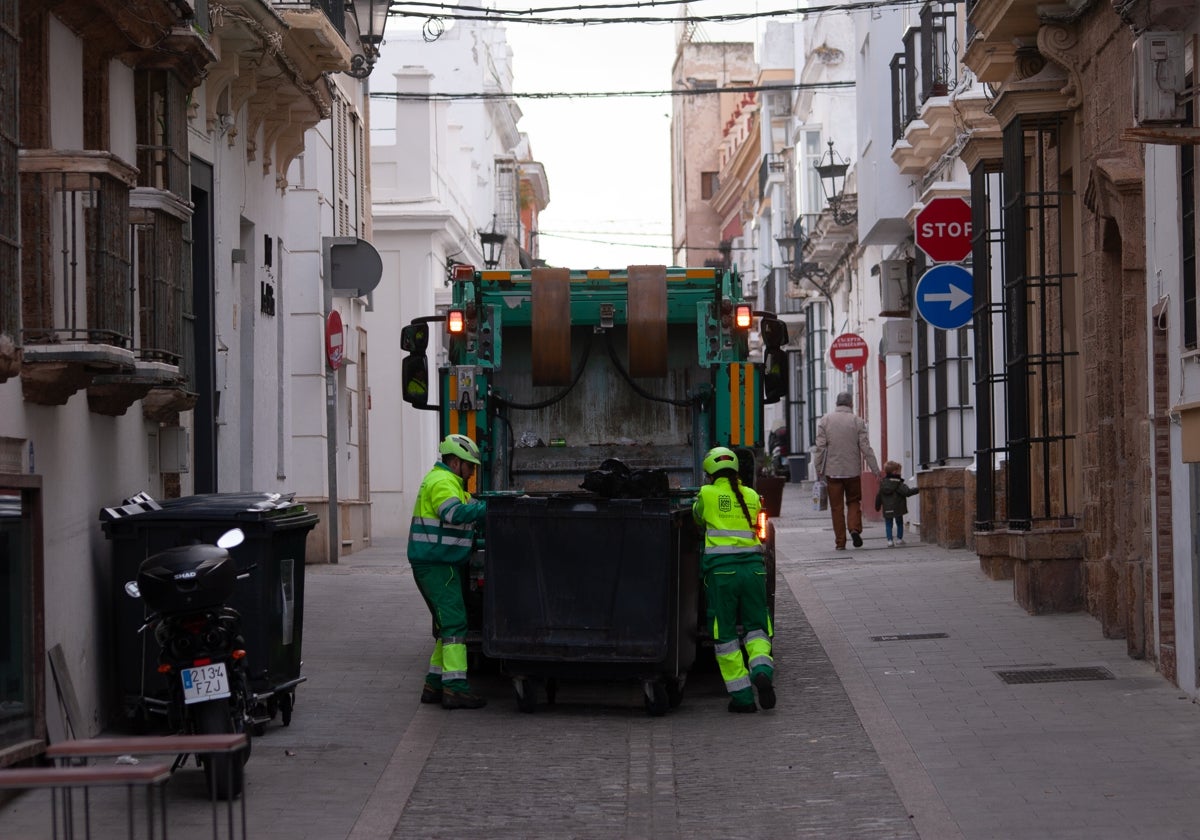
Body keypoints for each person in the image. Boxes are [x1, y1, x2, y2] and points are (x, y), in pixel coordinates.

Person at [407, 434, 489, 710]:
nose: (472, 471)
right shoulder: (443, 482)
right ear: (455, 462)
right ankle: (455, 689)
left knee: (446, 626)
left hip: (435, 563)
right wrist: (486, 509)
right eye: (470, 466)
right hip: (438, 565)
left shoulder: (445, 481)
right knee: (455, 625)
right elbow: (452, 514)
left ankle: (434, 684)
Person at [692, 446, 776, 713]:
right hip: (753, 571)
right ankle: (762, 669)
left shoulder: (707, 493)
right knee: (756, 628)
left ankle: (742, 698)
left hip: (722, 574)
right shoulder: (751, 495)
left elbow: (697, 517)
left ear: (709, 472)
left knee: (726, 635)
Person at [813, 391, 880, 550]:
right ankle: (854, 529)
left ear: (837, 403)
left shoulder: (825, 420)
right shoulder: (857, 421)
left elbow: (820, 447)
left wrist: (818, 468)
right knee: (853, 502)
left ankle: (840, 542)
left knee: (836, 508)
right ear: (851, 404)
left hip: (832, 472)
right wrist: (876, 470)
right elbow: (865, 447)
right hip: (852, 472)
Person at [875, 460, 920, 547]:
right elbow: (907, 492)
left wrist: (877, 506)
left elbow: (879, 495)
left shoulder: (883, 483)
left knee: (888, 524)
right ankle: (899, 539)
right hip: (898, 507)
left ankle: (890, 540)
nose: (900, 473)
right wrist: (919, 489)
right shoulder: (898, 483)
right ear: (895, 472)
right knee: (899, 522)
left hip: (887, 508)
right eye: (899, 471)